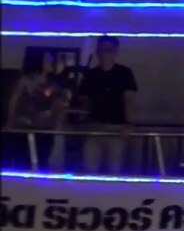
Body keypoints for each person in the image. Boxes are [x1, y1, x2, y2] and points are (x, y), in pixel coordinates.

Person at [78, 35, 139, 175]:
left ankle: (112, 196)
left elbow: (129, 99)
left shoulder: (124, 73)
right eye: (102, 49)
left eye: (109, 50)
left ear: (116, 52)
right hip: (94, 127)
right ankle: (91, 195)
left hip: (116, 129)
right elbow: (84, 102)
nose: (105, 53)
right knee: (89, 170)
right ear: (98, 52)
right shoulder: (91, 75)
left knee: (114, 169)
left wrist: (129, 124)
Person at [4, 51, 68, 170]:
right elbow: (14, 100)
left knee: (43, 163)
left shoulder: (54, 84)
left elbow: (58, 107)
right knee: (23, 163)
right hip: (24, 128)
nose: (50, 62)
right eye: (47, 60)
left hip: (46, 130)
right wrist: (10, 120)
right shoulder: (25, 81)